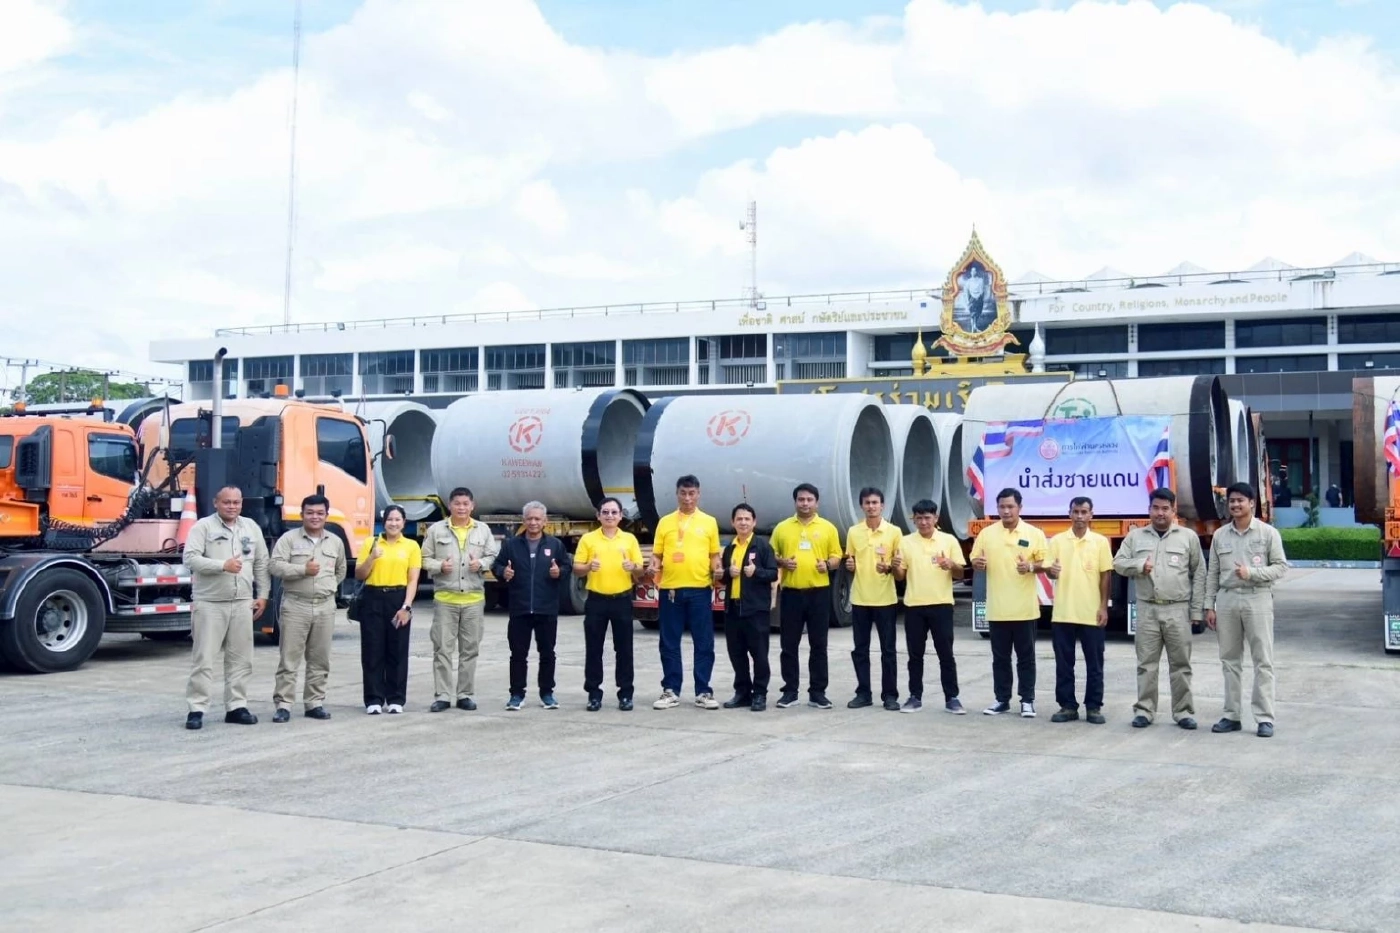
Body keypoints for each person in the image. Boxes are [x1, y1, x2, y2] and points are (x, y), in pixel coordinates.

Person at [1114, 488, 1205, 730]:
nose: (1160, 513)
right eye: (1156, 508)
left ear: (1174, 510)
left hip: (1178, 610)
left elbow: (1199, 574)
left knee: (1181, 665)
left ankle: (1183, 711)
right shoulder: (1135, 537)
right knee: (1146, 664)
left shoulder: (1188, 537)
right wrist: (1138, 565)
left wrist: (1197, 612)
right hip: (1147, 610)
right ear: (1149, 510)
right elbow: (1119, 563)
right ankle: (1144, 710)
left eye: (1165, 508)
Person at [182, 485, 270, 730]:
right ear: (215, 503)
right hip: (210, 604)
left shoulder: (250, 527)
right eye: (227, 502)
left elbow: (262, 562)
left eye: (236, 502)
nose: (232, 506)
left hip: (242, 603)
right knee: (204, 659)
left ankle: (236, 707)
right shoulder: (203, 527)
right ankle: (197, 709)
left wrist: (262, 594)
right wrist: (222, 565)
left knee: (241, 660)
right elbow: (189, 558)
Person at [1205, 482, 1288, 738]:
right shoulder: (1220, 535)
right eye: (1232, 501)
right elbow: (1213, 574)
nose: (1236, 505)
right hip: (1228, 600)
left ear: (1252, 503)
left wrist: (1251, 573)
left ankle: (1264, 718)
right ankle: (1231, 715)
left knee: (1263, 660)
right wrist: (1210, 605)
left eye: (1241, 500)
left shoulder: (1267, 533)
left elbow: (1281, 567)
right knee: (1230, 661)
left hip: (1257, 599)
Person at [268, 494, 347, 723]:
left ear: (326, 516)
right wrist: (302, 570)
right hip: (296, 605)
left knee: (320, 658)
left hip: (324, 606)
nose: (315, 517)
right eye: (310, 513)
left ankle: (314, 702)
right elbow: (274, 565)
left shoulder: (335, 541)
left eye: (320, 513)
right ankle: (283, 704)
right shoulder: (289, 539)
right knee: (289, 658)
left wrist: (327, 586)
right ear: (302, 514)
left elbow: (340, 571)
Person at [420, 487, 499, 712]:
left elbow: (492, 555)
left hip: (473, 600)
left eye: (466, 504)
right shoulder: (436, 530)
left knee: (469, 650)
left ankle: (465, 694)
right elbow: (424, 558)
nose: (462, 508)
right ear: (450, 505)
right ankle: (443, 696)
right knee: (442, 649)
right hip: (445, 600)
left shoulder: (482, 530)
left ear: (472, 506)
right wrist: (439, 566)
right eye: (457, 503)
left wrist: (481, 565)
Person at [970, 487, 1047, 718]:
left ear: (1020, 508)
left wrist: (1031, 567)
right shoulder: (987, 533)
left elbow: (1047, 563)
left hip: (1024, 609)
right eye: (1002, 506)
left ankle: (1027, 700)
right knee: (1000, 658)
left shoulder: (1034, 533)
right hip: (997, 609)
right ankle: (1002, 699)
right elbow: (974, 558)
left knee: (1026, 657)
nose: (1006, 511)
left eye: (1010, 506)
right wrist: (978, 563)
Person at [649, 474, 723, 710]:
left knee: (704, 642)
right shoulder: (665, 522)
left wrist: (718, 569)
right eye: (683, 493)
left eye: (692, 493)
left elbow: (713, 554)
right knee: (669, 642)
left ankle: (703, 691)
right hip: (670, 589)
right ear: (677, 494)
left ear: (698, 494)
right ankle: (670, 690)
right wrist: (653, 564)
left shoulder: (709, 522)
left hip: (700, 589)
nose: (688, 498)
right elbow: (657, 554)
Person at [769, 483, 842, 710]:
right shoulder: (782, 528)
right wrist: (782, 562)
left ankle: (818, 692)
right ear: (795, 502)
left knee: (818, 644)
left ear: (817, 502)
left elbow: (837, 556)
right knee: (788, 645)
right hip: (791, 594)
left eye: (809, 500)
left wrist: (828, 564)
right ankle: (790, 691)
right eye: (801, 500)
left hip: (819, 594)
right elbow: (772, 555)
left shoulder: (828, 528)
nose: (805, 504)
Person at [1043, 497, 1113, 725]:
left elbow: (1105, 575)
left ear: (1091, 514)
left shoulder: (1100, 542)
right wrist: (1052, 572)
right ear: (1069, 514)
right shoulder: (1057, 541)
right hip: (1063, 612)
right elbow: (1050, 572)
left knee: (1095, 664)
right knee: (1064, 664)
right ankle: (1067, 706)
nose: (1080, 516)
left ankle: (1093, 707)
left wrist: (1103, 606)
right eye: (1076, 512)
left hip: (1091, 613)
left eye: (1084, 512)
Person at [893, 499, 966, 714]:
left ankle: (952, 697)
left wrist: (951, 565)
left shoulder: (948, 540)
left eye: (927, 517)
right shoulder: (906, 542)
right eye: (919, 518)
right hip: (914, 606)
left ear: (936, 518)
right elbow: (900, 576)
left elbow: (961, 573)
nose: (923, 522)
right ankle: (915, 696)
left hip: (942, 605)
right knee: (915, 655)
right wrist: (895, 567)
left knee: (946, 654)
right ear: (913, 519)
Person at [492, 501, 565, 711]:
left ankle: (547, 693)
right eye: (530, 518)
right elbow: (497, 565)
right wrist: (502, 573)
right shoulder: (512, 545)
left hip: (546, 608)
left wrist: (558, 573)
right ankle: (516, 694)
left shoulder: (555, 545)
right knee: (517, 654)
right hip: (520, 608)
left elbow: (566, 566)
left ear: (545, 521)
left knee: (548, 653)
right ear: (523, 521)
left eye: (537, 519)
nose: (533, 522)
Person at [573, 497, 644, 711]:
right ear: (598, 515)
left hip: (621, 600)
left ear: (621, 516)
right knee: (594, 649)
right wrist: (588, 567)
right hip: (596, 600)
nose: (610, 516)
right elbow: (577, 568)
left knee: (624, 649)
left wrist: (632, 566)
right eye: (605, 512)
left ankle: (625, 694)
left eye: (614, 512)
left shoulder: (629, 539)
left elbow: (640, 573)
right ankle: (594, 694)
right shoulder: (588, 539)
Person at [354, 504, 422, 715]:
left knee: (398, 650)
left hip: (398, 598)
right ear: (383, 523)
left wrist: (406, 607)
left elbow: (413, 580)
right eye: (389, 520)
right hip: (373, 599)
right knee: (372, 650)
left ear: (404, 522)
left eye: (397, 519)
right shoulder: (370, 543)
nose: (393, 523)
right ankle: (374, 699)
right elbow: (359, 574)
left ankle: (396, 698)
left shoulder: (411, 546)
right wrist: (372, 557)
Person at [844, 487, 901, 711]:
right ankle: (863, 693)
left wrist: (889, 567)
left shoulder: (894, 532)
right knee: (860, 650)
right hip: (860, 599)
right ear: (861, 506)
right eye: (867, 503)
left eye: (875, 502)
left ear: (882, 505)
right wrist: (849, 566)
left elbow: (899, 567)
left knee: (888, 650)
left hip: (885, 599)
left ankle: (890, 695)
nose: (871, 506)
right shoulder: (853, 532)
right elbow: (851, 561)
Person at [719, 503, 779, 711]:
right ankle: (742, 692)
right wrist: (728, 573)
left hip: (755, 610)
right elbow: (723, 578)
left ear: (754, 522)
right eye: (739, 519)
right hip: (733, 609)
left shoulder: (762, 547)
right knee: (736, 653)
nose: (743, 522)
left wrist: (757, 572)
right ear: (732, 522)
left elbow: (773, 573)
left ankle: (759, 694)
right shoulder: (730, 548)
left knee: (759, 654)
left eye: (747, 519)